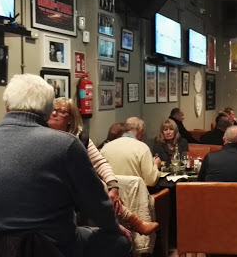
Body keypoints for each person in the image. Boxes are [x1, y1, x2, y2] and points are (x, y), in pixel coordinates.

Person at [0, 74, 131, 257]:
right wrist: (114, 227)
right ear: (48, 109)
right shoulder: (65, 145)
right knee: (120, 241)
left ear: (7, 106)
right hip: (52, 247)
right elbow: (96, 203)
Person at [48, 98, 158, 235]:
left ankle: (114, 232)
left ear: (70, 118)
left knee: (102, 188)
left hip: (76, 189)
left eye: (60, 111)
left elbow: (100, 162)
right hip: (54, 186)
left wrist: (114, 186)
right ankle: (129, 221)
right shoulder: (42, 136)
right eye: (52, 110)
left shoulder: (81, 137)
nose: (53, 113)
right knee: (97, 185)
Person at [101, 117, 161, 187]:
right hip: (136, 196)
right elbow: (151, 181)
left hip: (112, 195)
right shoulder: (142, 148)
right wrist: (156, 165)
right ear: (141, 130)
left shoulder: (106, 148)